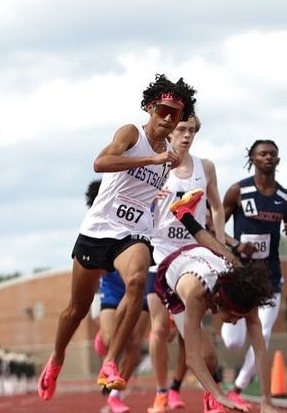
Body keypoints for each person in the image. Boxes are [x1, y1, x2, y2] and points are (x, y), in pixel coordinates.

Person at [38, 74, 196, 401]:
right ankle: (56, 358)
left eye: (175, 114)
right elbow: (101, 162)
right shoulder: (131, 133)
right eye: (162, 111)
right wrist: (151, 159)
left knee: (137, 281)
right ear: (151, 108)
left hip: (131, 234)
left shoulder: (170, 156)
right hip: (97, 231)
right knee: (76, 310)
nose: (167, 119)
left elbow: (153, 196)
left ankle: (110, 363)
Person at [154, 189, 279, 413]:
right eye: (234, 317)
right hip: (172, 279)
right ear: (220, 302)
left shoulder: (242, 286)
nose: (234, 322)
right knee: (208, 356)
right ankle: (211, 399)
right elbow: (192, 358)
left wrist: (266, 400)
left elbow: (260, 349)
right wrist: (220, 395)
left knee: (228, 255)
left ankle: (183, 215)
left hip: (204, 257)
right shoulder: (195, 295)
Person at [147, 113, 226, 413]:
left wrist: (218, 246)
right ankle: (160, 393)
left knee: (203, 350)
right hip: (160, 259)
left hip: (194, 259)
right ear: (169, 132)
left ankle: (205, 396)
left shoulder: (205, 168)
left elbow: (217, 208)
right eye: (181, 129)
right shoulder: (154, 166)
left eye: (192, 130)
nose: (186, 135)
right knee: (159, 330)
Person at [221, 139, 287, 407]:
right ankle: (232, 331)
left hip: (270, 277)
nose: (268, 157)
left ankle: (238, 386)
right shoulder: (238, 192)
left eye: (272, 154)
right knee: (234, 343)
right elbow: (214, 229)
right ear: (252, 159)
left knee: (263, 334)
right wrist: (236, 245)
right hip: (239, 275)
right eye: (262, 154)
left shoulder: (285, 198)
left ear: (278, 160)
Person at [84, 179, 152, 413]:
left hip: (140, 282)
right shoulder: (98, 220)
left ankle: (115, 393)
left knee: (134, 343)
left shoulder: (143, 202)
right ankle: (104, 341)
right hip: (112, 286)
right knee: (113, 338)